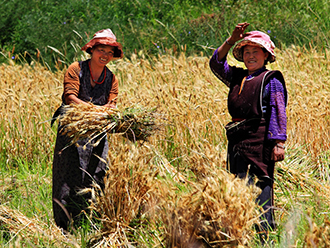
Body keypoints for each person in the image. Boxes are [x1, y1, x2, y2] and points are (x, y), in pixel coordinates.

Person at [209, 22, 287, 239]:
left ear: (266, 55)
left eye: (256, 51)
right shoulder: (237, 77)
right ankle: (240, 234)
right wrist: (231, 40)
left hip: (260, 141)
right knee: (239, 185)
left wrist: (278, 143)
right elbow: (215, 63)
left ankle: (265, 235)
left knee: (262, 186)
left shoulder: (271, 80)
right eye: (246, 52)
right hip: (236, 140)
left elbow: (277, 111)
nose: (251, 56)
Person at [52, 28, 123, 231]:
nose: (105, 56)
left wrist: (102, 114)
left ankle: (90, 221)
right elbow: (70, 97)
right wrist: (94, 111)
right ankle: (64, 226)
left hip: (97, 135)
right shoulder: (76, 69)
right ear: (92, 50)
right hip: (72, 133)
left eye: (110, 52)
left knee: (97, 174)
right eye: (101, 50)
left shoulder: (111, 78)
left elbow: (112, 105)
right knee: (67, 176)